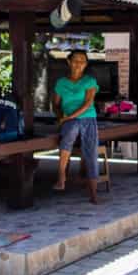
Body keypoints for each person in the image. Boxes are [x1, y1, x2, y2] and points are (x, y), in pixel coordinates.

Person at [53, 50, 102, 204]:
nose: (78, 63)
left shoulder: (90, 81)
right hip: (70, 120)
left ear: (86, 64)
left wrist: (69, 117)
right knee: (68, 135)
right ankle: (61, 176)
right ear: (69, 62)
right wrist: (60, 117)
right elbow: (56, 104)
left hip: (88, 118)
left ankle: (94, 193)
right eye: (75, 60)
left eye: (82, 61)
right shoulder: (61, 83)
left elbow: (88, 103)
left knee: (91, 152)